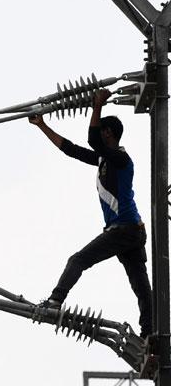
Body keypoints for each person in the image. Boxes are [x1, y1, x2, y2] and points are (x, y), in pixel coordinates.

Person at [30, 90, 153, 341]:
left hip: (125, 229)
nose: (99, 132)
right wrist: (42, 126)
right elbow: (71, 149)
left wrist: (97, 106)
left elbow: (92, 140)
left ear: (108, 133)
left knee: (78, 260)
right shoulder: (103, 160)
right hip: (130, 231)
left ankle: (55, 300)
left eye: (102, 129)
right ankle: (151, 334)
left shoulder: (120, 158)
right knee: (141, 287)